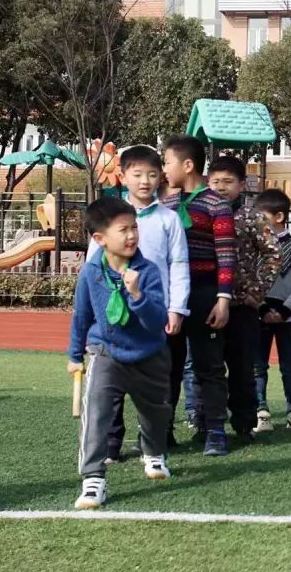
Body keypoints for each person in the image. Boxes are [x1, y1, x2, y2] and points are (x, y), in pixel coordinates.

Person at [87, 146, 190, 460]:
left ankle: (158, 438)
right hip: (116, 316)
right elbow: (93, 267)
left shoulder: (169, 220)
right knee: (112, 382)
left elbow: (179, 265)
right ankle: (110, 444)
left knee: (161, 381)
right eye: (137, 174)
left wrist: (177, 309)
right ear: (123, 176)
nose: (145, 181)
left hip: (156, 314)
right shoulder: (109, 219)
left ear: (161, 178)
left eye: (152, 174)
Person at [68, 198, 171, 509]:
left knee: (154, 414)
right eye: (123, 230)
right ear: (100, 238)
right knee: (97, 413)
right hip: (105, 352)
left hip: (149, 354)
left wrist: (137, 294)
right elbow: (81, 315)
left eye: (134, 228)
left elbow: (157, 322)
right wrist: (75, 354)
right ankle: (93, 479)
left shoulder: (148, 271)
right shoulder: (90, 273)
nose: (132, 236)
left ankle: (153, 454)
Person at [162, 136, 237, 456]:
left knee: (209, 366)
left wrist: (223, 299)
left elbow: (226, 255)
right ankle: (162, 431)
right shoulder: (163, 204)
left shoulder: (216, 204)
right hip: (170, 296)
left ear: (187, 165)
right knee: (168, 366)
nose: (163, 169)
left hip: (205, 292)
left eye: (167, 163)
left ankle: (215, 431)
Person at [205, 156, 281, 444]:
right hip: (207, 304)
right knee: (207, 369)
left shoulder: (252, 218)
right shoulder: (201, 214)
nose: (221, 188)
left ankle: (244, 425)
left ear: (241, 184)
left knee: (242, 369)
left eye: (228, 182)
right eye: (215, 182)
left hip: (242, 308)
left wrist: (257, 292)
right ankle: (207, 424)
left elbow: (274, 254)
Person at [252, 188, 291, 433]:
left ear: (279, 217)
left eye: (261, 216)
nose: (257, 221)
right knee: (257, 366)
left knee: (290, 365)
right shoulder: (255, 247)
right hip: (258, 315)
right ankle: (261, 410)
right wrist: (262, 307)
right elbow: (249, 280)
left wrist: (286, 311)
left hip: (288, 318)